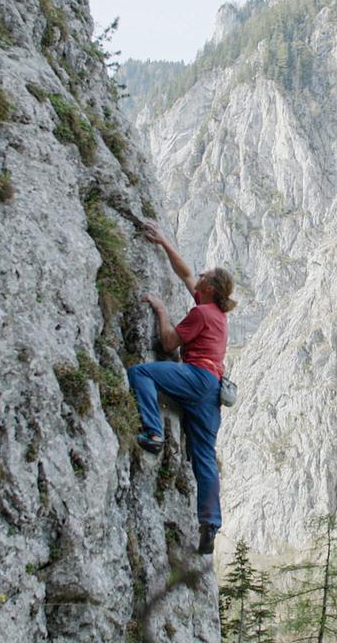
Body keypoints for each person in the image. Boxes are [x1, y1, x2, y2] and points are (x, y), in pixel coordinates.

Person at [126, 222, 236, 555]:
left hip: (197, 378)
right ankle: (210, 524)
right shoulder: (215, 311)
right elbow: (185, 272)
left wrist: (161, 311)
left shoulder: (201, 313)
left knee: (141, 374)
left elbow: (169, 341)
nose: (197, 275)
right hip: (213, 389)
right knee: (204, 457)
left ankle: (153, 432)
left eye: (203, 276)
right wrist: (162, 242)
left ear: (209, 287)